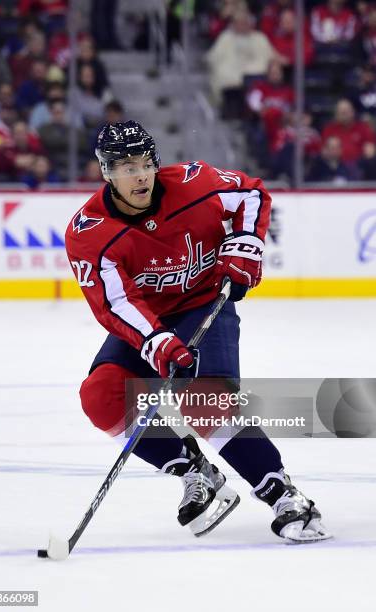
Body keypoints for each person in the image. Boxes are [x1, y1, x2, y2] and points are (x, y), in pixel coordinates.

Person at [65, 120, 331, 543]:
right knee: (101, 397)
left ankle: (282, 493)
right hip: (146, 319)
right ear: (106, 172)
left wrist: (244, 244)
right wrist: (156, 343)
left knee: (201, 400)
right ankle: (197, 473)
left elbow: (251, 193)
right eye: (126, 166)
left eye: (146, 163)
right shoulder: (90, 232)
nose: (140, 175)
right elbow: (116, 303)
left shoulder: (196, 182)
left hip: (203, 303)